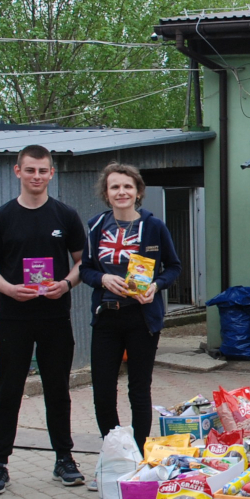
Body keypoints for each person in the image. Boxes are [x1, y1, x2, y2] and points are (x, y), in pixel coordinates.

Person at [0, 144, 87, 494]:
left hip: (55, 316)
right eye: (30, 170)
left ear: (51, 173)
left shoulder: (65, 215)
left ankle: (64, 458)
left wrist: (66, 284)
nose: (36, 176)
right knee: (8, 391)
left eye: (42, 170)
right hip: (14, 317)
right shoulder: (1, 217)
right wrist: (9, 289)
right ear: (18, 171)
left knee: (58, 390)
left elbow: (82, 261)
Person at [80, 163, 182, 462]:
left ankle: (138, 457)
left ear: (138, 192)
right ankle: (115, 454)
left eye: (127, 186)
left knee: (138, 390)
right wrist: (102, 278)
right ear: (106, 193)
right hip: (106, 316)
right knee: (102, 390)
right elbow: (85, 269)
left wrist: (156, 286)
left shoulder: (154, 226)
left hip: (141, 318)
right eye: (115, 187)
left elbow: (173, 267)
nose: (121, 192)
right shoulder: (96, 226)